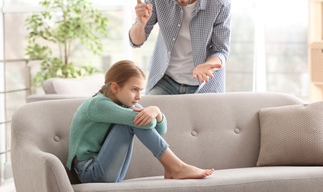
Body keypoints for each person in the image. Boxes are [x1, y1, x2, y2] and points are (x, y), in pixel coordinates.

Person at [66, 60, 214, 183]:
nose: (138, 97)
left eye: (140, 91)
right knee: (133, 122)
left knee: (136, 119)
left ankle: (174, 168)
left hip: (107, 170)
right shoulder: (98, 104)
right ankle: (176, 167)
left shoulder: (125, 104)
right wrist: (151, 113)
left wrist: (156, 111)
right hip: (91, 173)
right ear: (115, 87)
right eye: (134, 90)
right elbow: (147, 123)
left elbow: (161, 130)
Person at [129, 0, 232, 95]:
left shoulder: (219, 2)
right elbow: (136, 41)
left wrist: (207, 65)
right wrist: (140, 24)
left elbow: (221, 50)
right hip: (164, 80)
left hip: (203, 85)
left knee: (204, 118)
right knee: (147, 116)